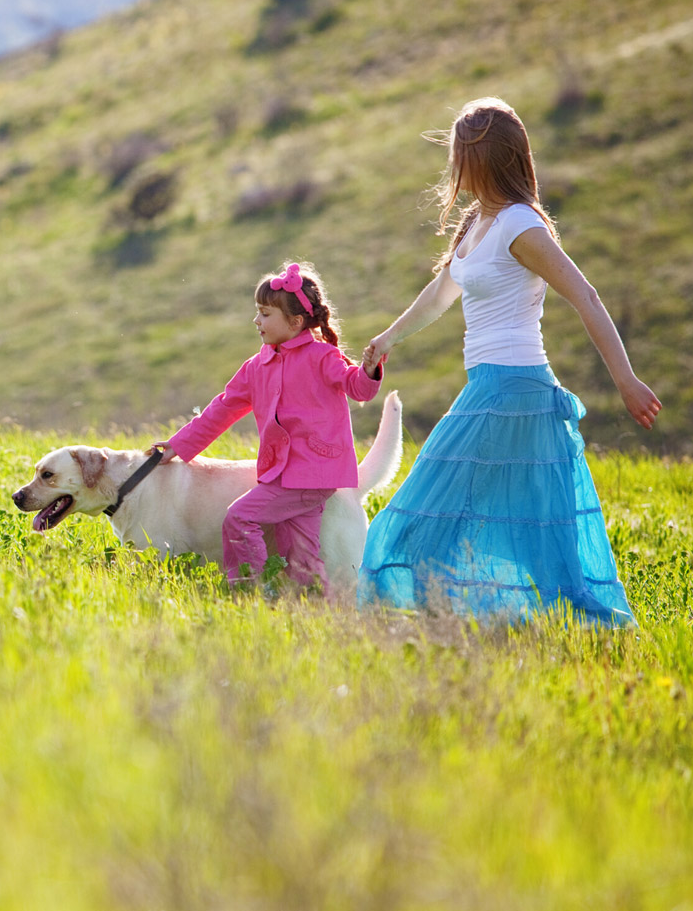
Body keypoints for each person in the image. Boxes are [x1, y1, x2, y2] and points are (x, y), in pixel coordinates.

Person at [357, 97, 661, 625]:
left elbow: (584, 295)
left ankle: (446, 620)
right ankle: (449, 622)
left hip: (515, 388)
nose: (453, 167)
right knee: (499, 523)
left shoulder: (521, 225)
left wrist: (626, 380)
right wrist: (388, 338)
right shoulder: (480, 221)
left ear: (487, 160)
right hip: (491, 388)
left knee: (428, 516)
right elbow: (440, 293)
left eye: (460, 156)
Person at [155, 261, 383, 593]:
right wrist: (178, 445)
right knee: (301, 559)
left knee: (240, 517)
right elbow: (221, 410)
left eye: (264, 313)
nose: (256, 320)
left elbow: (359, 388)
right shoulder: (256, 366)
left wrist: (371, 368)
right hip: (282, 472)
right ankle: (317, 609)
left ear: (295, 321)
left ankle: (252, 591)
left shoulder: (323, 357)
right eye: (257, 312)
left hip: (315, 472)